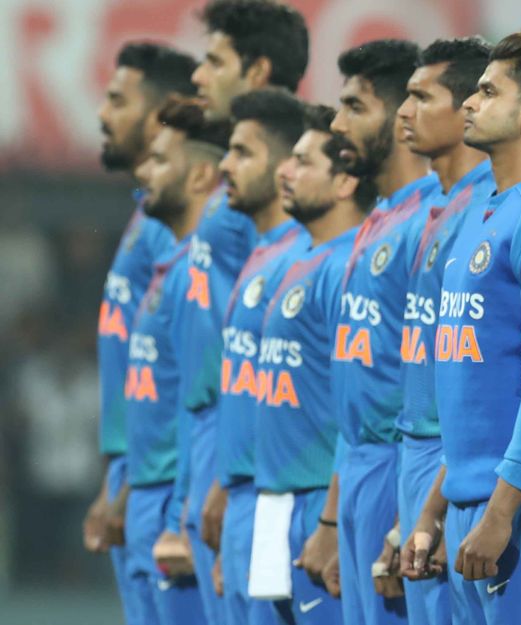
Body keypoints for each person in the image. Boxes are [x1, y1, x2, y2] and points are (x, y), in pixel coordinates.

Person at [415, 32, 521, 624]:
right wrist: (438, 509)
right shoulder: (486, 209)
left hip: (517, 509)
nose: (470, 101)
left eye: (488, 92)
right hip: (470, 504)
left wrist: (501, 512)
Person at [173, 4, 311, 622]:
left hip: (251, 442)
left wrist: (240, 474)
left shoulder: (279, 191)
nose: (198, 76)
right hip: (216, 429)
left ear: (256, 70)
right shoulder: (236, 181)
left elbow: (273, 341)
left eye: (214, 61)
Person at [317, 37, 440, 625]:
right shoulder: (380, 217)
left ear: (401, 116)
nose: (337, 124)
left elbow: (441, 375)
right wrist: (332, 513)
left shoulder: (430, 219)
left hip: (402, 466)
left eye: (354, 108)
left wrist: (409, 511)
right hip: (361, 467)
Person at [87, 41, 196, 625]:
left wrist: (133, 486)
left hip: (164, 482)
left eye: (117, 100)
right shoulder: (146, 213)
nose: (104, 114)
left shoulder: (172, 223)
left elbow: (192, 363)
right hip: (138, 474)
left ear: (162, 112)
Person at [249, 119, 375, 625]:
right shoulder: (301, 259)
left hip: (320, 496)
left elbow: (358, 406)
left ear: (344, 182)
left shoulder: (346, 267)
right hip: (276, 499)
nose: (286, 171)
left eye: (303, 162)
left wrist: (329, 519)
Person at [393, 36, 495, 625]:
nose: (405, 112)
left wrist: (431, 505)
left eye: (421, 97)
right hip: (420, 451)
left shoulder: (490, 209)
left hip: (455, 456)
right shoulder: (436, 207)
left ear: (467, 108)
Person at [124, 97, 231, 625]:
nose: (145, 173)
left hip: (184, 494)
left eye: (161, 160)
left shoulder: (200, 270)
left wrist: (179, 510)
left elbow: (210, 400)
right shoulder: (175, 265)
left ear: (201, 176)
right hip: (164, 493)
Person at [213, 89, 308, 625]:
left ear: (284, 164)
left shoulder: (301, 256)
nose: (225, 165)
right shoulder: (263, 251)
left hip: (280, 495)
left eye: (243, 152)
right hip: (244, 494)